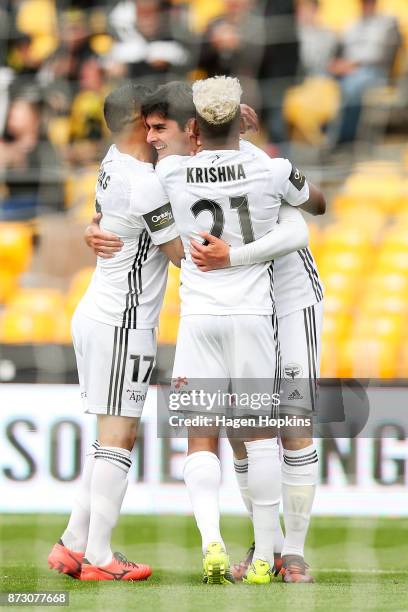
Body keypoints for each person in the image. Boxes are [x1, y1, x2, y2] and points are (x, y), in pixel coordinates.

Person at [87, 78, 325, 583]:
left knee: (292, 423)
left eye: (160, 127)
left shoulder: (241, 166)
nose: (152, 137)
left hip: (288, 299)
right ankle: (270, 549)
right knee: (242, 432)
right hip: (242, 311)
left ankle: (294, 553)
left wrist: (229, 255)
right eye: (146, 128)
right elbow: (132, 210)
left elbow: (299, 225)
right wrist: (99, 224)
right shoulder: (170, 174)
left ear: (190, 129)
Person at [48, 83, 183, 581]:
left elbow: (106, 216)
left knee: (108, 438)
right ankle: (101, 557)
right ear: (137, 120)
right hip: (123, 322)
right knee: (120, 437)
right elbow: (182, 256)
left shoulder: (111, 161)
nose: (157, 124)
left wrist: (93, 225)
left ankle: (72, 543)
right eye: (151, 116)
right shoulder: (146, 185)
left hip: (97, 313)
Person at [328, 0, 402, 143]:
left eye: (370, 2)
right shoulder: (351, 24)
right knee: (321, 81)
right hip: (346, 71)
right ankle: (323, 138)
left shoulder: (387, 23)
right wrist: (337, 64)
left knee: (352, 86)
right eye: (364, 2)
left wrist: (354, 65)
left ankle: (345, 139)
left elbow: (384, 56)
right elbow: (338, 52)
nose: (367, 5)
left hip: (374, 72)